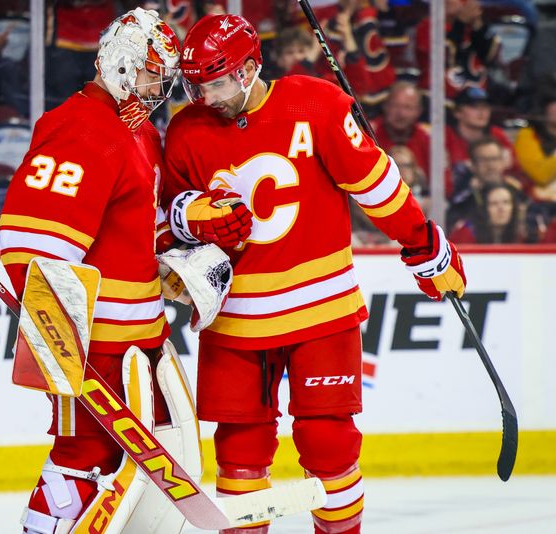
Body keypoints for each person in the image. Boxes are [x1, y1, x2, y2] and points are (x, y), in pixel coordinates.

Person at [163, 14, 466, 534]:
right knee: (238, 452)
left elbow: (376, 184)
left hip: (321, 313)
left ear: (248, 70)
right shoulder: (187, 129)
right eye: (194, 84)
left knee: (329, 443)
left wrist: (421, 242)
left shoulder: (316, 103)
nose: (203, 96)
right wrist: (191, 215)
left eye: (213, 83)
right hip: (235, 321)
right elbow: (165, 216)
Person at [0, 9, 194, 534]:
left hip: (142, 340)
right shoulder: (79, 126)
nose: (162, 86)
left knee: (134, 475)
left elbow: (136, 229)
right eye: (155, 71)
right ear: (125, 66)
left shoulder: (139, 132)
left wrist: (179, 263)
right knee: (81, 461)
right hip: (94, 344)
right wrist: (59, 343)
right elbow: (32, 245)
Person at [371, 81, 431, 177]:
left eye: (408, 107)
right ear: (385, 106)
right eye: (396, 106)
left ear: (419, 111)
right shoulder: (367, 134)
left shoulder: (428, 138)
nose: (401, 114)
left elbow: (446, 184)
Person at [449, 183, 527, 244]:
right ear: (484, 209)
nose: (501, 209)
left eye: (506, 202)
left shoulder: (523, 235)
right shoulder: (465, 233)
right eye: (494, 203)